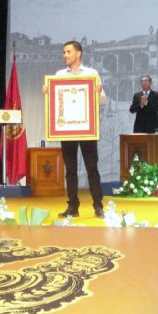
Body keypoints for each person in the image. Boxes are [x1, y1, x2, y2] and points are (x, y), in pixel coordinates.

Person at [43, 40, 106, 218]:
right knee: (70, 169)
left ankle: (98, 206)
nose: (65, 55)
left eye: (68, 52)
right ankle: (73, 206)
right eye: (63, 52)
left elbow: (103, 101)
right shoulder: (59, 75)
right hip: (67, 130)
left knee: (92, 168)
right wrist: (48, 94)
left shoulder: (92, 74)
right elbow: (55, 103)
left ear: (78, 53)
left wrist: (99, 92)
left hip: (87, 129)